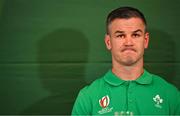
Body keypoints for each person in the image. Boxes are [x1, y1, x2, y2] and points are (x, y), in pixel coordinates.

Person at [71, 6, 180, 115]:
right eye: (120, 35)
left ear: (145, 40)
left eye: (136, 35)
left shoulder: (170, 94)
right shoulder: (87, 97)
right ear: (108, 42)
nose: (128, 43)